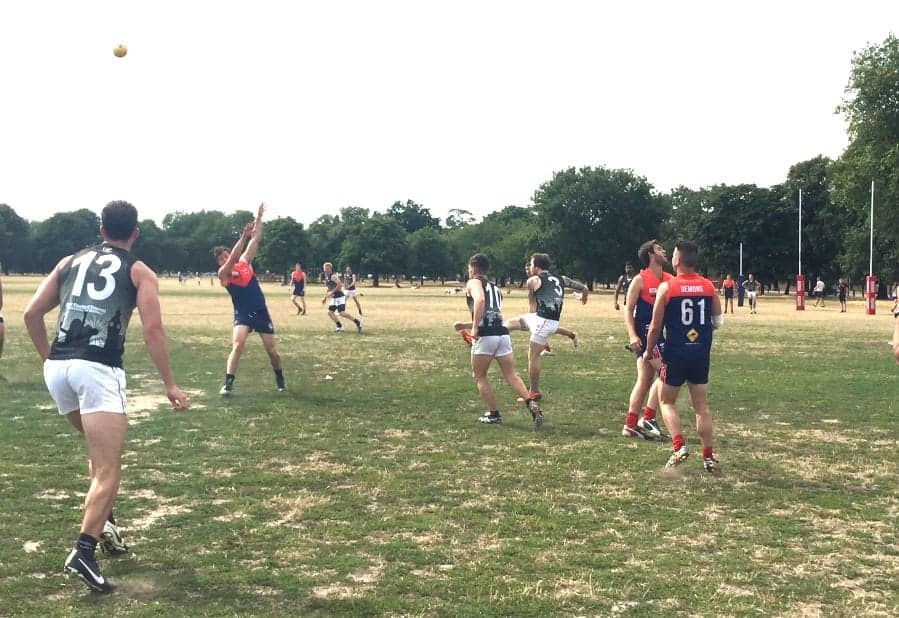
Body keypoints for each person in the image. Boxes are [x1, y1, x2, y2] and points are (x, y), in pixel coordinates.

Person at [23, 200, 189, 593]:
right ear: (135, 232)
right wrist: (169, 384)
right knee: (109, 468)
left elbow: (31, 314)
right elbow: (153, 330)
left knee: (98, 457)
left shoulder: (69, 261)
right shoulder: (139, 271)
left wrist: (50, 359)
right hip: (98, 368)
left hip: (59, 368)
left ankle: (106, 523)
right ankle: (83, 551)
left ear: (101, 230)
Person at [643, 240, 722, 473]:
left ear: (677, 260)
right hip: (700, 352)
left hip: (675, 353)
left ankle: (679, 447)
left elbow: (655, 327)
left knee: (666, 401)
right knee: (701, 407)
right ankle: (708, 456)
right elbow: (718, 322)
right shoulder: (708, 287)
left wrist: (648, 351)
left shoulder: (668, 287)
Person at [461, 253, 544, 427]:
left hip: (486, 335)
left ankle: (494, 414)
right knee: (510, 374)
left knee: (479, 375)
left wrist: (474, 327)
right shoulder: (495, 287)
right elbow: (492, 314)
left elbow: (480, 300)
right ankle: (531, 403)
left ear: (473, 268)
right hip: (502, 333)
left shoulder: (473, 282)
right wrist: (465, 324)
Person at [213, 203, 285, 395]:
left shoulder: (245, 263)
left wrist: (259, 217)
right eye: (222, 258)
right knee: (238, 343)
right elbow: (233, 258)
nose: (226, 259)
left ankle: (279, 376)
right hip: (243, 313)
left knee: (271, 351)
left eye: (226, 255)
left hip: (260, 311)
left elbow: (256, 239)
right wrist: (243, 237)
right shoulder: (223, 273)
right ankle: (228, 383)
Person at [500, 253, 588, 400]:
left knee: (533, 357)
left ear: (536, 267)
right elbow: (584, 288)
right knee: (508, 324)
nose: (529, 267)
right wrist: (583, 298)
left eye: (531, 264)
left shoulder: (533, 280)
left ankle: (534, 392)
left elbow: (532, 305)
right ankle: (497, 347)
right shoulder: (562, 279)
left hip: (543, 321)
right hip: (544, 320)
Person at [622, 239, 672, 439]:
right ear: (650, 254)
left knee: (644, 380)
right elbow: (628, 310)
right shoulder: (640, 279)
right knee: (668, 372)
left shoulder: (668, 278)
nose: (664, 251)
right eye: (659, 249)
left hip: (659, 333)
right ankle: (648, 417)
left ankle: (630, 425)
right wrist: (632, 335)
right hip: (645, 333)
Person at [321, 262, 363, 333]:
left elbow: (339, 285)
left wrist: (332, 292)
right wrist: (325, 298)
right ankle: (340, 326)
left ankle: (357, 322)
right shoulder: (326, 277)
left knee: (341, 313)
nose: (326, 270)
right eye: (325, 269)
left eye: (327, 269)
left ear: (330, 269)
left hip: (340, 297)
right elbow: (329, 288)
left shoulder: (333, 276)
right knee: (330, 312)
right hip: (334, 298)